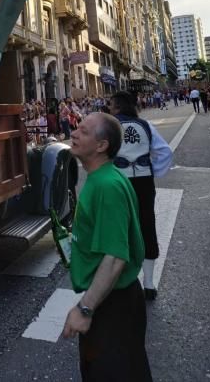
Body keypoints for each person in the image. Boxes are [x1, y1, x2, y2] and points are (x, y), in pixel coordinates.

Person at [62, 112, 151, 382]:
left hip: (113, 304)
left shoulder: (107, 186)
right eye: (77, 127)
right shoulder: (101, 178)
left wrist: (84, 309)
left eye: (84, 131)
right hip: (111, 300)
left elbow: (115, 258)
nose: (75, 133)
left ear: (101, 146)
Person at [110, 91, 172, 300]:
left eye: (111, 105)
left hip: (119, 182)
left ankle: (123, 277)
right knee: (147, 225)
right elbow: (165, 152)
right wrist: (153, 170)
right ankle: (149, 283)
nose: (109, 109)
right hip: (144, 181)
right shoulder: (146, 126)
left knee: (119, 227)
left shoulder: (109, 127)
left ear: (117, 107)